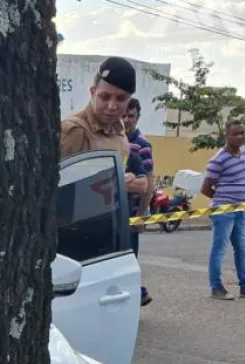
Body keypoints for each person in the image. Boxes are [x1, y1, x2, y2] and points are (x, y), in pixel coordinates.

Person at [59, 56, 149, 215]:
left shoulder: (119, 130)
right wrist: (115, 183)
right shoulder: (75, 131)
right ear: (93, 92)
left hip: (111, 227)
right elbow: (56, 189)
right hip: (77, 231)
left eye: (121, 98)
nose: (112, 106)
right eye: (105, 96)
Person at [201, 120, 245, 301]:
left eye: (242, 133)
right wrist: (223, 202)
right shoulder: (219, 159)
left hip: (241, 210)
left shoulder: (244, 153)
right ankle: (216, 287)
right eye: (235, 133)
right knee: (219, 249)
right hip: (224, 212)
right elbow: (205, 188)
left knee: (242, 248)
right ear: (226, 136)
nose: (240, 137)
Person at [124, 97, 155, 306]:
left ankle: (138, 294)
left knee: (129, 259)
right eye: (123, 115)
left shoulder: (141, 145)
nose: (126, 120)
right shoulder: (112, 139)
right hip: (111, 211)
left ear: (138, 117)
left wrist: (142, 214)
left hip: (131, 212)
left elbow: (148, 181)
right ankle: (138, 293)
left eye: (131, 116)